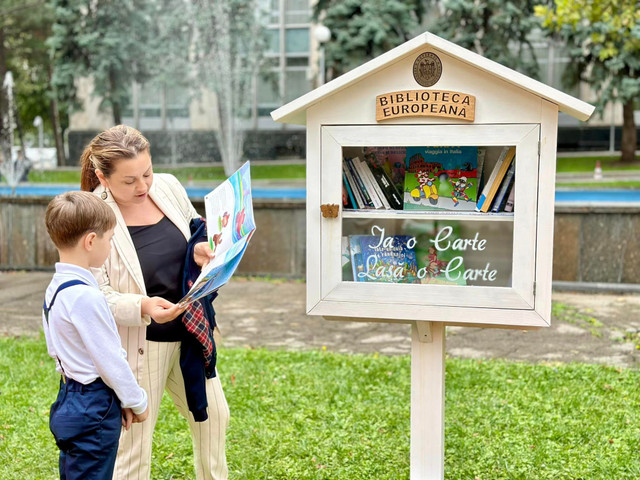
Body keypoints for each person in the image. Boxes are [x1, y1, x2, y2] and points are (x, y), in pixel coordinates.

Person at [79, 125, 229, 480]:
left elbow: (195, 230)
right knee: (134, 448)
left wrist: (201, 250)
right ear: (103, 176)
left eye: (146, 173)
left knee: (214, 418)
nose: (143, 186)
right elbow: (95, 292)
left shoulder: (168, 185)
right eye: (129, 181)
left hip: (191, 333)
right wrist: (143, 307)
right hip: (139, 345)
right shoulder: (91, 215)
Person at [43, 191, 149, 479]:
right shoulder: (86, 296)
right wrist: (136, 401)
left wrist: (117, 401)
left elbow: (56, 348)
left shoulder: (57, 288)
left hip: (69, 397)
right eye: (110, 238)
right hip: (93, 405)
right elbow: (110, 359)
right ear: (91, 241)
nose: (111, 245)